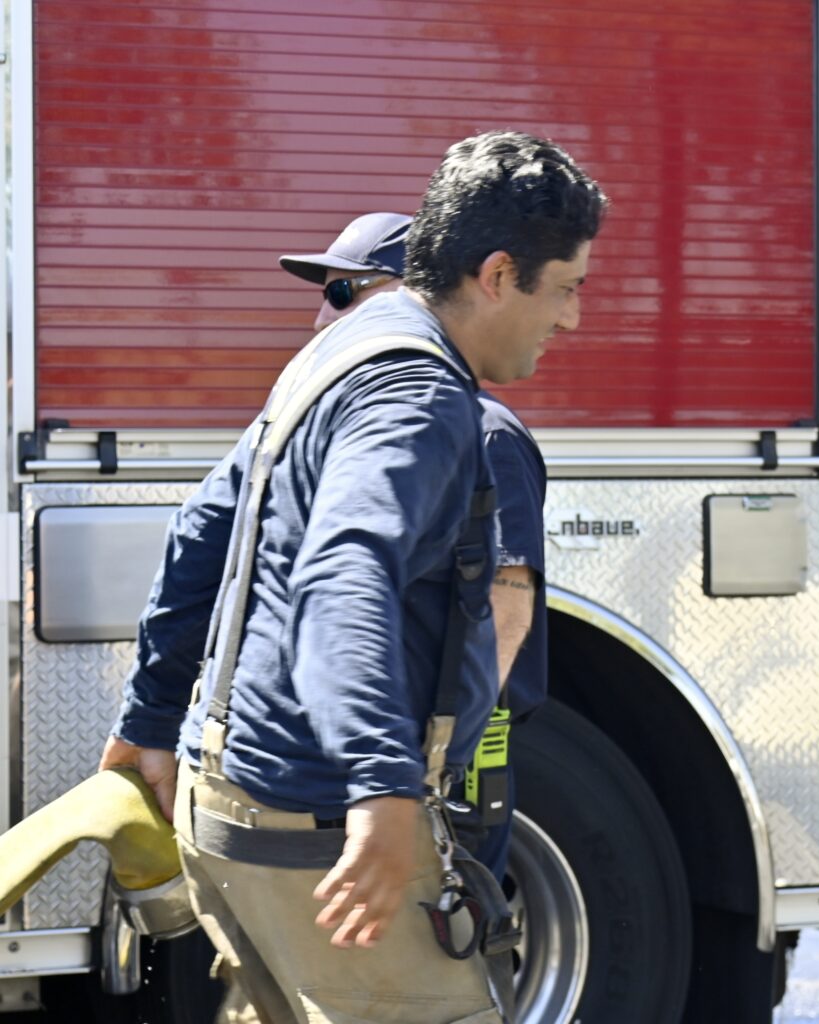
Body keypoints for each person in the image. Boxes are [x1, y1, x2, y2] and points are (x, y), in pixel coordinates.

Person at [100, 130, 606, 1024]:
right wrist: (383, 789)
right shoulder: (422, 397)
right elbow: (342, 578)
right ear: (498, 275)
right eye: (564, 287)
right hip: (323, 826)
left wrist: (150, 718)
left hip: (231, 811)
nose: (570, 318)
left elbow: (204, 530)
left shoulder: (342, 349)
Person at [280, 211, 547, 883]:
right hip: (385, 770)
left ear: (409, 294)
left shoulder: (486, 433)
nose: (321, 318)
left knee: (440, 933)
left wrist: (432, 770)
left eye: (342, 293)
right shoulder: (366, 422)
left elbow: (506, 610)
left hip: (439, 776)